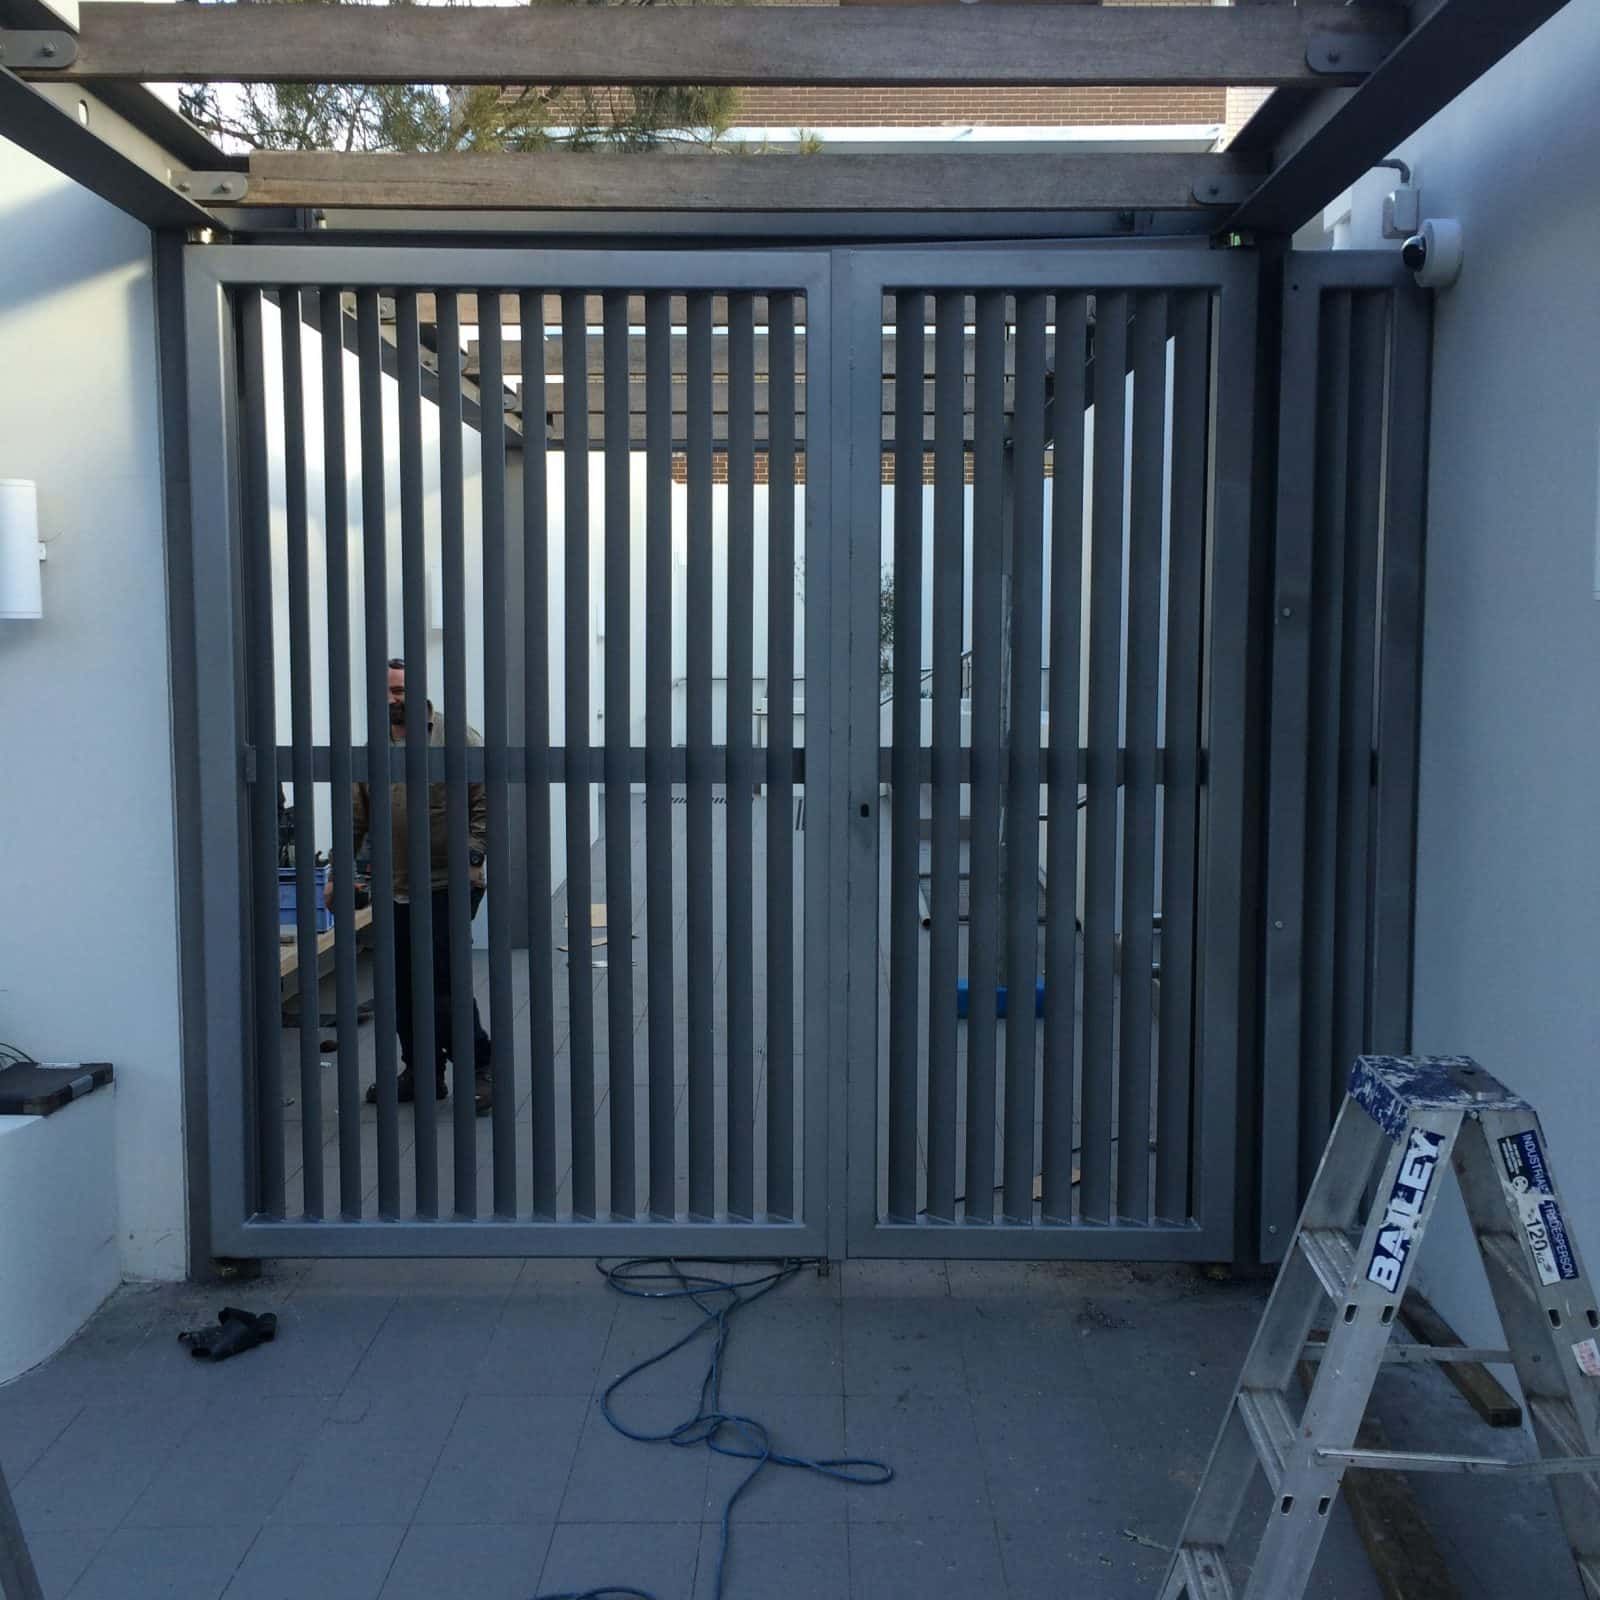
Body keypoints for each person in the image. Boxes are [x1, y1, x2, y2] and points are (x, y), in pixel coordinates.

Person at [329, 657, 493, 1115]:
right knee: (401, 984)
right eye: (387, 692)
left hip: (448, 882)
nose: (394, 699)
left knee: (442, 981)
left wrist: (473, 855)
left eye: (401, 690)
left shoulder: (456, 739)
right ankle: (422, 1073)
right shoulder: (372, 749)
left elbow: (485, 803)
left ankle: (481, 1064)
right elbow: (355, 819)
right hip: (394, 885)